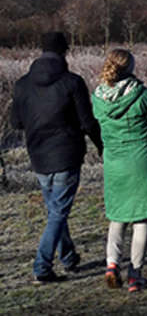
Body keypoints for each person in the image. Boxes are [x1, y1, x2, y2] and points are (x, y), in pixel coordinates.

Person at [10, 31, 103, 284]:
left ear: (41, 51)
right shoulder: (73, 82)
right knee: (58, 213)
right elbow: (87, 122)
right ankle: (42, 267)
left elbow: (15, 122)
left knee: (56, 210)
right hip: (67, 152)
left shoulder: (22, 84)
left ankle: (69, 257)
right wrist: (101, 146)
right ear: (65, 51)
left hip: (38, 154)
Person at [91, 49, 147, 292]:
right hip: (140, 158)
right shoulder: (141, 94)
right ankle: (135, 275)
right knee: (141, 217)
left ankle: (111, 264)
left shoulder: (98, 97)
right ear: (130, 67)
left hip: (114, 161)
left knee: (117, 215)